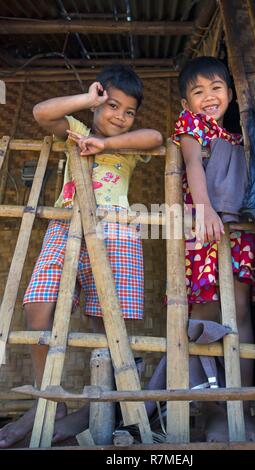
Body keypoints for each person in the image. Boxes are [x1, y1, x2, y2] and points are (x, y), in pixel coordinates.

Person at [0, 64, 163, 448]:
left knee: (105, 325)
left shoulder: (127, 144)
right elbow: (42, 112)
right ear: (94, 103)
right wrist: (89, 100)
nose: (120, 117)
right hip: (66, 227)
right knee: (37, 305)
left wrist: (107, 145)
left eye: (128, 111)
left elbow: (155, 135)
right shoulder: (76, 130)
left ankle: (101, 407)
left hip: (116, 231)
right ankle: (49, 398)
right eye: (111, 106)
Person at [171, 56, 255, 442]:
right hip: (205, 227)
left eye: (216, 88)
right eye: (198, 91)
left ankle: (241, 408)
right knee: (206, 314)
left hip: (237, 232)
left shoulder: (237, 137)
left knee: (242, 311)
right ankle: (211, 411)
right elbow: (194, 165)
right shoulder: (191, 126)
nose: (209, 97)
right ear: (186, 103)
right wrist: (206, 208)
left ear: (230, 94)